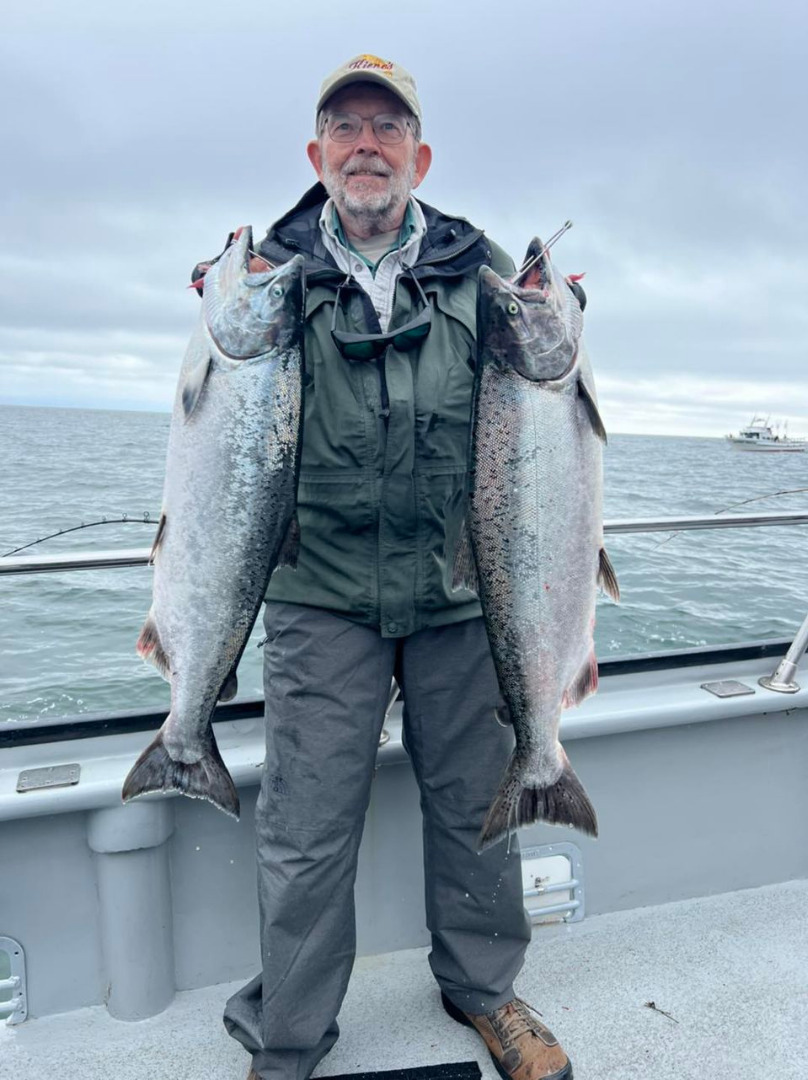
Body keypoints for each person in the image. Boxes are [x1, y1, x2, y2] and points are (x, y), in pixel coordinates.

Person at [194, 54, 573, 1080]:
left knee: (476, 809)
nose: (367, 145)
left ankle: (486, 992)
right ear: (317, 155)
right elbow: (222, 424)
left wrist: (567, 320)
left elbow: (540, 394)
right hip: (321, 595)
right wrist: (207, 303)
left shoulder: (480, 263)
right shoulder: (266, 273)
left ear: (420, 153)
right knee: (306, 830)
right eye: (346, 128)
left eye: (386, 128)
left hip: (462, 589)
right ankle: (290, 1035)